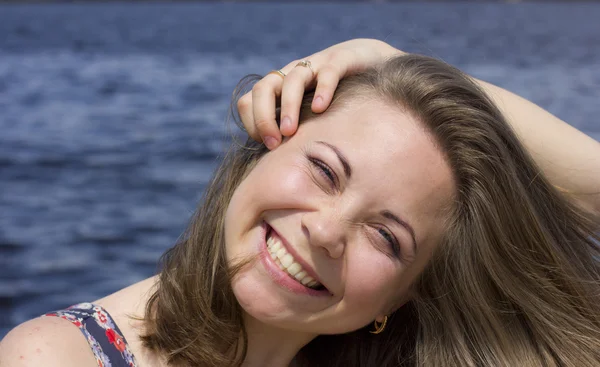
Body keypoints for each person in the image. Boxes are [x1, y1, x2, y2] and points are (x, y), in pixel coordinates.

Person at [1, 39, 599, 367]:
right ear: (266, 147)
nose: (328, 231)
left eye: (388, 237)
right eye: (323, 171)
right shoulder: (58, 358)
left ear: (403, 294)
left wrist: (392, 59)